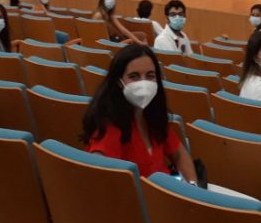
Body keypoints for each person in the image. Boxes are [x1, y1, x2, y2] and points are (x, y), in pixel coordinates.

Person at [81, 44, 198, 181]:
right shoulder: (110, 126)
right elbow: (101, 177)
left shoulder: (152, 115)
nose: (144, 83)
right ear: (119, 82)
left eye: (150, 76)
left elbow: (179, 154)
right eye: (134, 76)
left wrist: (192, 186)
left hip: (166, 192)